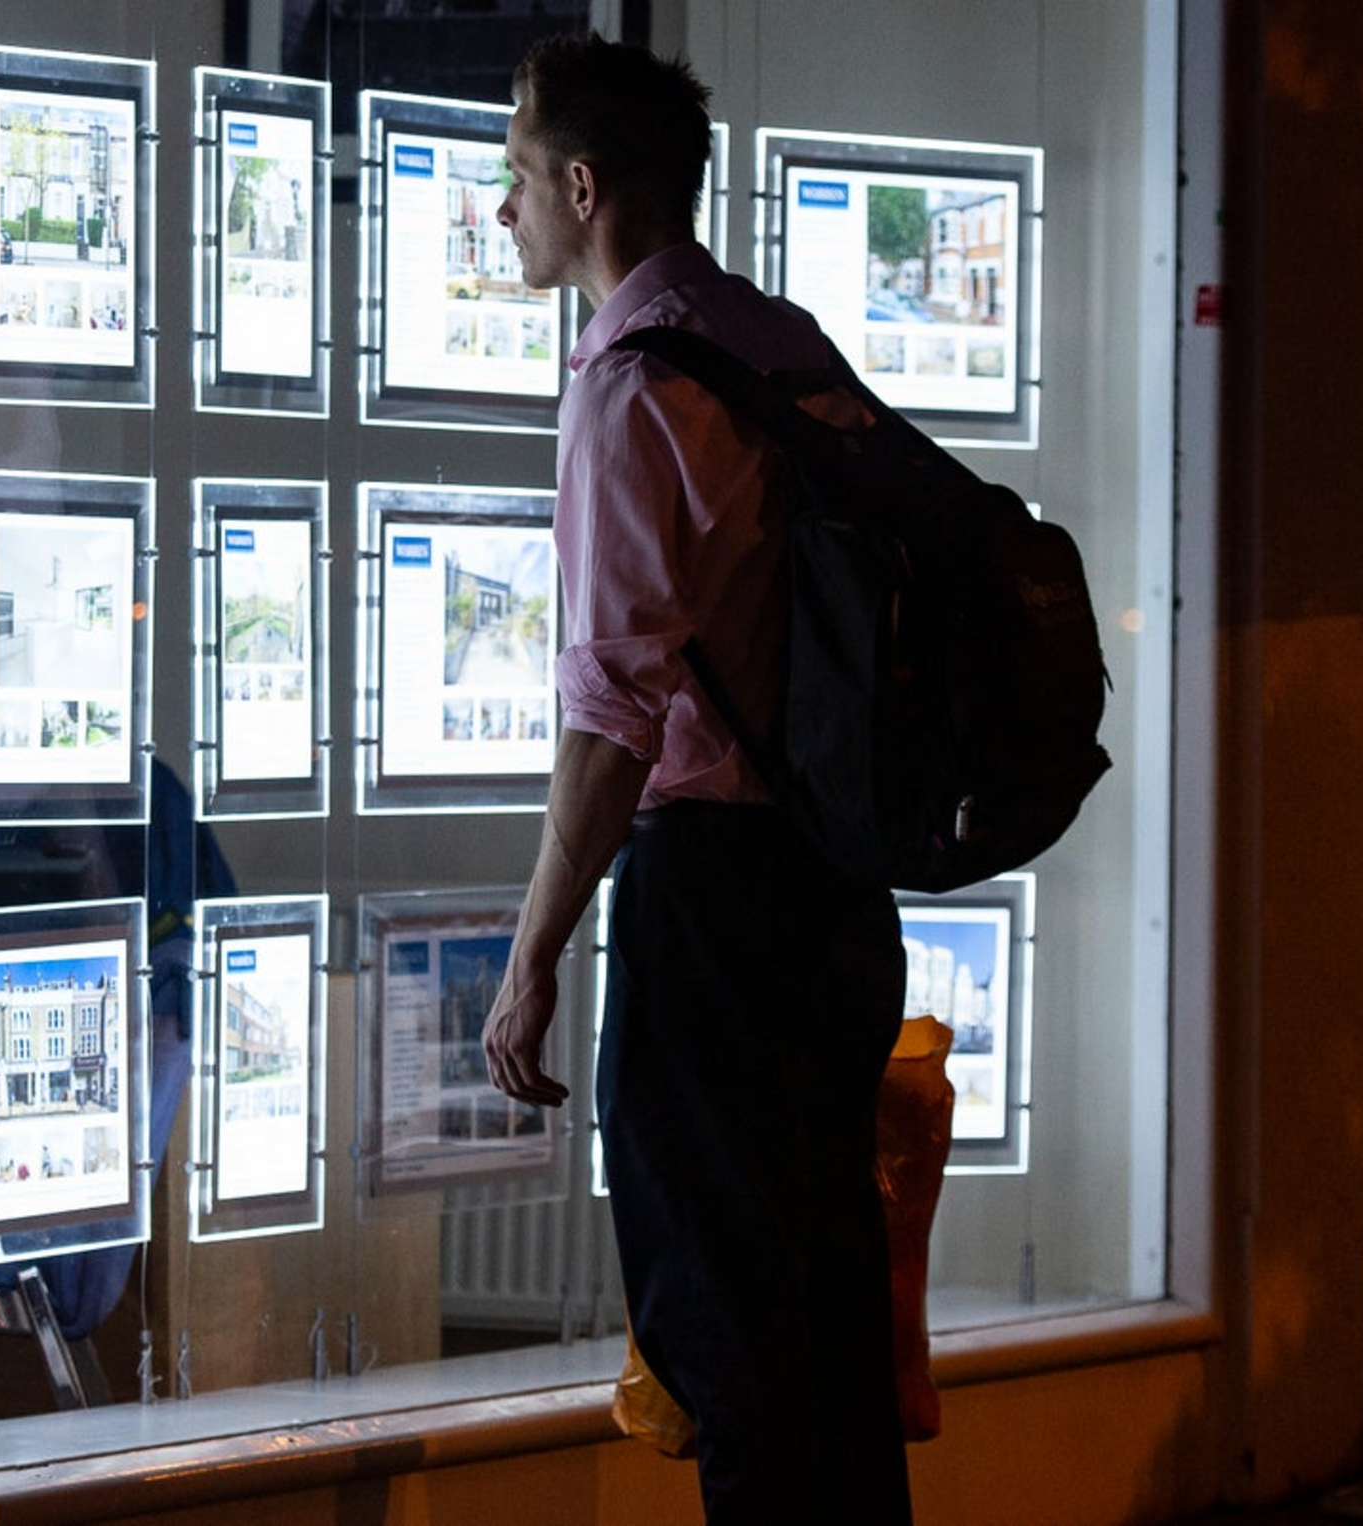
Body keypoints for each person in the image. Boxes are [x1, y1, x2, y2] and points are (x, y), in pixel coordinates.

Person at [480, 31, 913, 1525]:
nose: (503, 209)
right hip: (837, 887)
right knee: (834, 1327)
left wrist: (532, 958)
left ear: (582, 188)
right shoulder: (780, 343)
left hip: (713, 905)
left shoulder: (628, 388)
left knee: (726, 1338)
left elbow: (613, 718)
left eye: (518, 175)